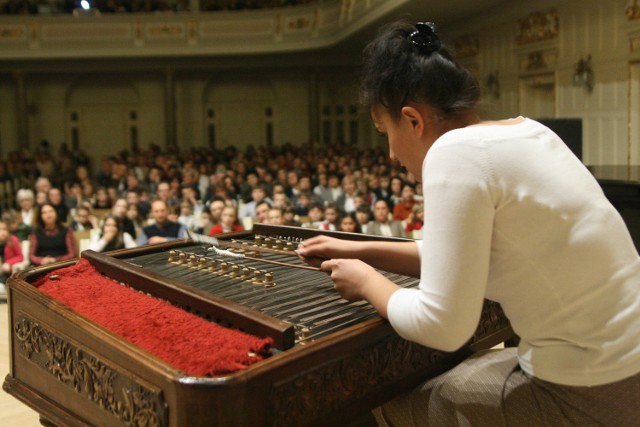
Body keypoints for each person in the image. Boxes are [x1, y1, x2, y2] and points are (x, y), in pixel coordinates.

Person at [296, 20, 640, 426]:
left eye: (384, 132)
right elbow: (455, 253)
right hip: (623, 368)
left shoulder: (453, 153)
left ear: (412, 120)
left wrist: (366, 281)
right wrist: (358, 248)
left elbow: (443, 326)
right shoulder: (530, 132)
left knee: (383, 397)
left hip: (590, 397)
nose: (390, 154)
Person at [0, 219, 24, 300]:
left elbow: (20, 256)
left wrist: (9, 263)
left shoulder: (13, 240)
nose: (2, 232)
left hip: (7, 272)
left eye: (4, 229)